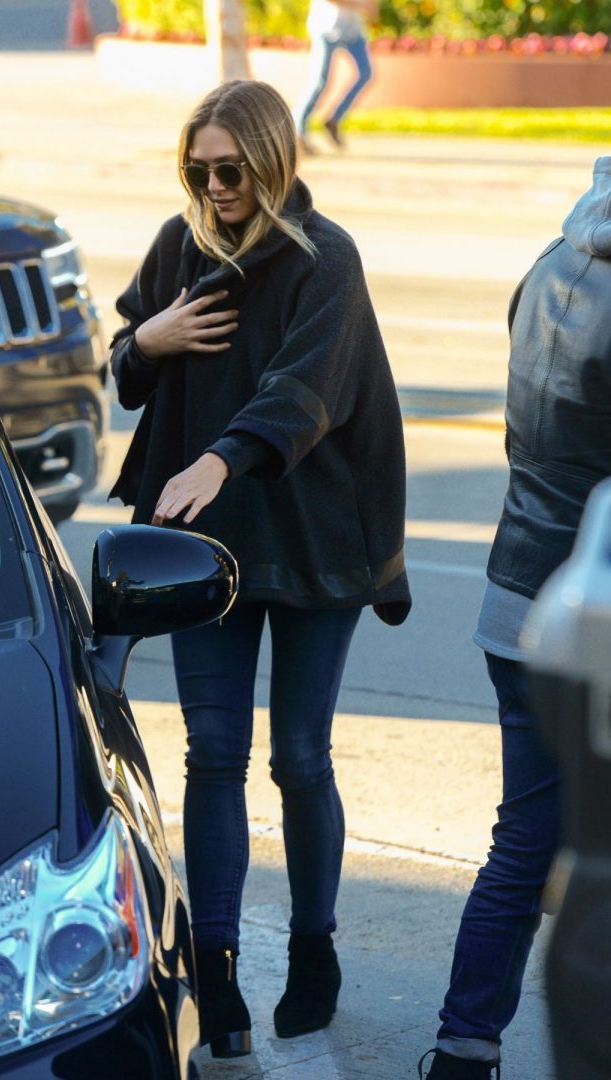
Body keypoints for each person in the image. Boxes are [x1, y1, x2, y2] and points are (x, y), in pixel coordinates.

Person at [108, 79, 411, 1058]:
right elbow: (126, 365)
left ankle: (315, 949)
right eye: (197, 169)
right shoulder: (180, 245)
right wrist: (148, 340)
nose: (213, 186)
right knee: (212, 755)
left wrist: (220, 455)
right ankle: (221, 965)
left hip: (316, 539)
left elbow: (306, 390)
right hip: (206, 549)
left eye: (230, 170)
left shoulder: (328, 261)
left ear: (276, 161)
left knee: (300, 758)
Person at [418, 156, 611, 1079]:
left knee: (525, 838)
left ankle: (463, 1046)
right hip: (587, 615)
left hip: (515, 590)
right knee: (555, 847)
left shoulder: (549, 264)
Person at [294, 0, 378, 155]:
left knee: (366, 73)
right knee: (319, 81)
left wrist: (372, 11)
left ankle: (334, 119)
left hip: (353, 30)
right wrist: (360, 5)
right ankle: (298, 130)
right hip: (325, 27)